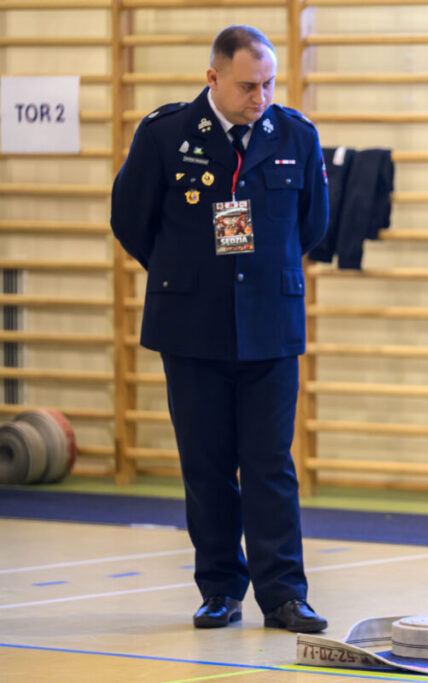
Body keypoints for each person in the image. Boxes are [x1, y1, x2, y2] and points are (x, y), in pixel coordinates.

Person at [110, 25, 329, 633]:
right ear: (213, 78)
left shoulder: (296, 135)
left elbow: (311, 225)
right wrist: (186, 274)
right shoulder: (165, 133)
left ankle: (284, 596)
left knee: (270, 465)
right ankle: (219, 589)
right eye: (247, 86)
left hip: (269, 326)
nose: (261, 97)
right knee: (205, 467)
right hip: (192, 326)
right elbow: (130, 220)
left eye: (269, 84)